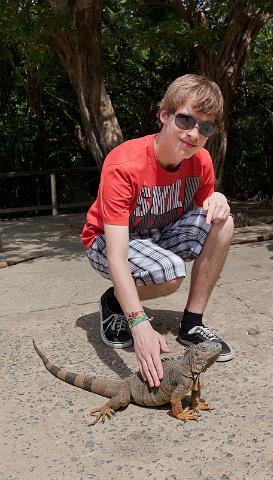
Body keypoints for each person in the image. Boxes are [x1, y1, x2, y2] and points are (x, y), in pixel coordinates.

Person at [81, 73, 234, 388]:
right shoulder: (124, 165)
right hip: (106, 243)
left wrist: (217, 198)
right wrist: (138, 323)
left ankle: (191, 324)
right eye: (185, 120)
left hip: (156, 237)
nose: (194, 134)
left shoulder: (201, 161)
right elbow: (117, 255)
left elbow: (207, 206)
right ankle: (114, 302)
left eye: (205, 128)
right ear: (164, 115)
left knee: (224, 222)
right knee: (169, 272)